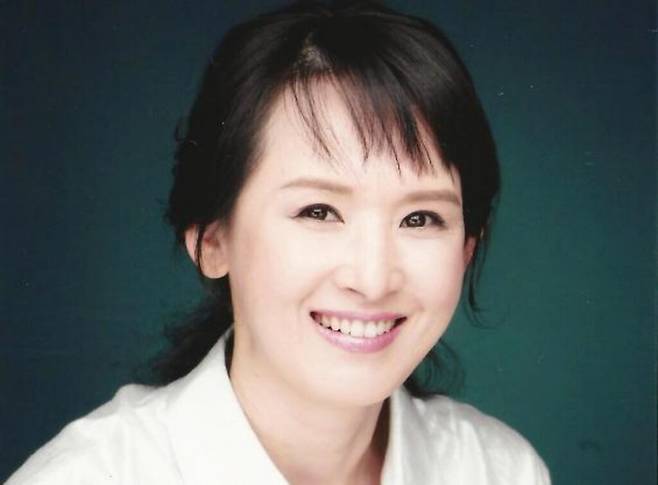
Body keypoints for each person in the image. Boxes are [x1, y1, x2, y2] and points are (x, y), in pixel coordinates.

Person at [8, 1, 551, 483]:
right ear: (210, 238)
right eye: (319, 211)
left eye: (420, 218)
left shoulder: (497, 471)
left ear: (467, 248)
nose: (372, 278)